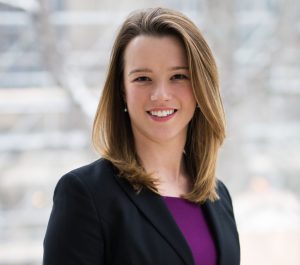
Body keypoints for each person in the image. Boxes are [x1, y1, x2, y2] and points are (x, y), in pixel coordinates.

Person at [43, 7, 240, 265]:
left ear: (201, 88)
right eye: (143, 78)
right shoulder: (85, 195)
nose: (160, 94)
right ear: (122, 90)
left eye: (178, 76)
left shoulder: (218, 195)